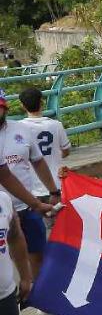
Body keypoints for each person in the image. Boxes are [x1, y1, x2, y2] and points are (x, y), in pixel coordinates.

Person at [0, 93, 59, 282]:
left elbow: (38, 162)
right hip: (2, 212)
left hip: (26, 206)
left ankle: (38, 296)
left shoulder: (22, 129)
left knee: (37, 252)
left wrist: (53, 191)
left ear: (5, 107)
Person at [17, 88, 70, 200]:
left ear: (23, 106)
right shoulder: (56, 125)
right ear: (42, 103)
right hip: (56, 184)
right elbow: (66, 151)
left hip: (32, 188)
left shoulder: (19, 128)